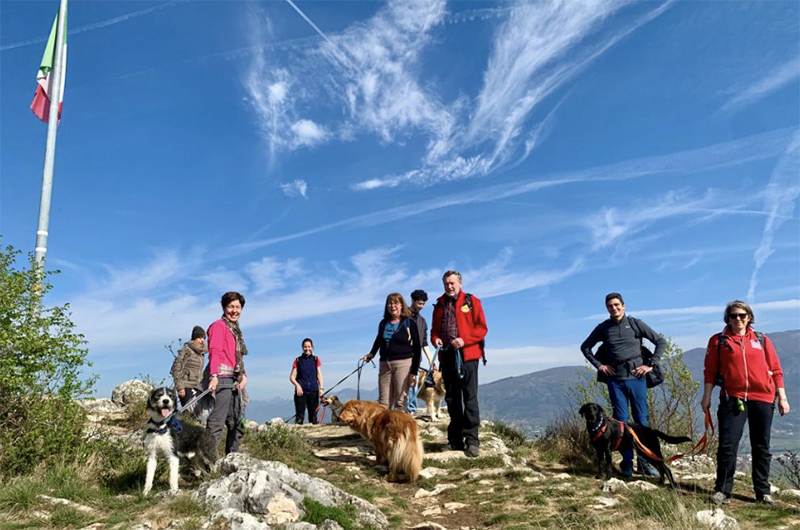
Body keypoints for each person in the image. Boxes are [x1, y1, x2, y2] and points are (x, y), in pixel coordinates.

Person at [701, 300, 790, 506]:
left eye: (742, 315)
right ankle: (722, 491)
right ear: (728, 318)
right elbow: (710, 371)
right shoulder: (718, 341)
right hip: (733, 398)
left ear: (749, 317)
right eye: (734, 315)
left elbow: (776, 370)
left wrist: (782, 398)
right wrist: (706, 397)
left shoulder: (762, 340)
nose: (738, 319)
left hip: (763, 398)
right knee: (727, 446)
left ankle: (763, 492)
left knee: (761, 446)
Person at [580, 292, 666, 478]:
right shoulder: (603, 328)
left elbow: (660, 341)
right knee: (621, 425)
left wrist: (650, 364)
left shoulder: (635, 324)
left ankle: (644, 463)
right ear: (607, 308)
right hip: (615, 381)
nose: (614, 308)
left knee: (641, 422)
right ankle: (627, 464)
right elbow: (585, 347)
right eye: (610, 306)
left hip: (637, 378)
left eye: (617, 305)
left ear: (624, 306)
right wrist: (600, 366)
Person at [430, 271, 488, 458]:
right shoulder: (439, 305)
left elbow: (482, 328)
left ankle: (472, 441)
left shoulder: (472, 302)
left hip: (468, 356)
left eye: (452, 283)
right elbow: (434, 331)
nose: (449, 286)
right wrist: (436, 339)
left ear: (460, 283)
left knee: (470, 397)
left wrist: (465, 340)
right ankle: (455, 440)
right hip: (447, 356)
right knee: (452, 399)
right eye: (446, 283)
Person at [363, 293, 422, 410]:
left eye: (396, 303)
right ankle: (385, 427)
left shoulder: (409, 323)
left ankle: (400, 427)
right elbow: (379, 339)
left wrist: (413, 373)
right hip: (385, 363)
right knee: (383, 402)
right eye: (390, 303)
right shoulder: (383, 323)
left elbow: (417, 348)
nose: (392, 306)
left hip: (403, 364)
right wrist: (371, 354)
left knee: (401, 401)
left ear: (401, 305)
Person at [206, 291, 248, 455]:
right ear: (224, 308)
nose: (234, 310)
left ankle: (232, 457)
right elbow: (215, 351)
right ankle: (206, 462)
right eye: (231, 306)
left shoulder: (236, 330)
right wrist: (214, 375)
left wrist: (244, 375)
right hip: (222, 379)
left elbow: (238, 357)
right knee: (217, 422)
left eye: (238, 307)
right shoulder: (219, 326)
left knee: (236, 422)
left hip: (235, 379)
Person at [170, 326, 208, 407]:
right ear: (194, 339)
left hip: (198, 387)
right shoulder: (186, 351)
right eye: (199, 338)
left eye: (203, 338)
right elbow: (176, 369)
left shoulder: (201, 353)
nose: (202, 340)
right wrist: (180, 388)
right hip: (186, 386)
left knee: (197, 413)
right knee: (188, 412)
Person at [290, 338, 324, 424]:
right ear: (302, 348)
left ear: (312, 347)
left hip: (314, 391)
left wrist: (321, 388)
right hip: (301, 392)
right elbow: (292, 377)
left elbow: (319, 375)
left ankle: (315, 437)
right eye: (305, 347)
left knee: (313, 419)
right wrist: (297, 386)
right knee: (299, 418)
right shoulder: (297, 360)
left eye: (309, 346)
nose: (307, 349)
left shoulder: (316, 359)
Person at [410, 289, 433, 369]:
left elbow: (424, 342)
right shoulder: (401, 316)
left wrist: (431, 360)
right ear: (412, 301)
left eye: (423, 304)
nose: (422, 306)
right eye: (419, 303)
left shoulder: (422, 321)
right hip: (400, 358)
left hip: (415, 361)